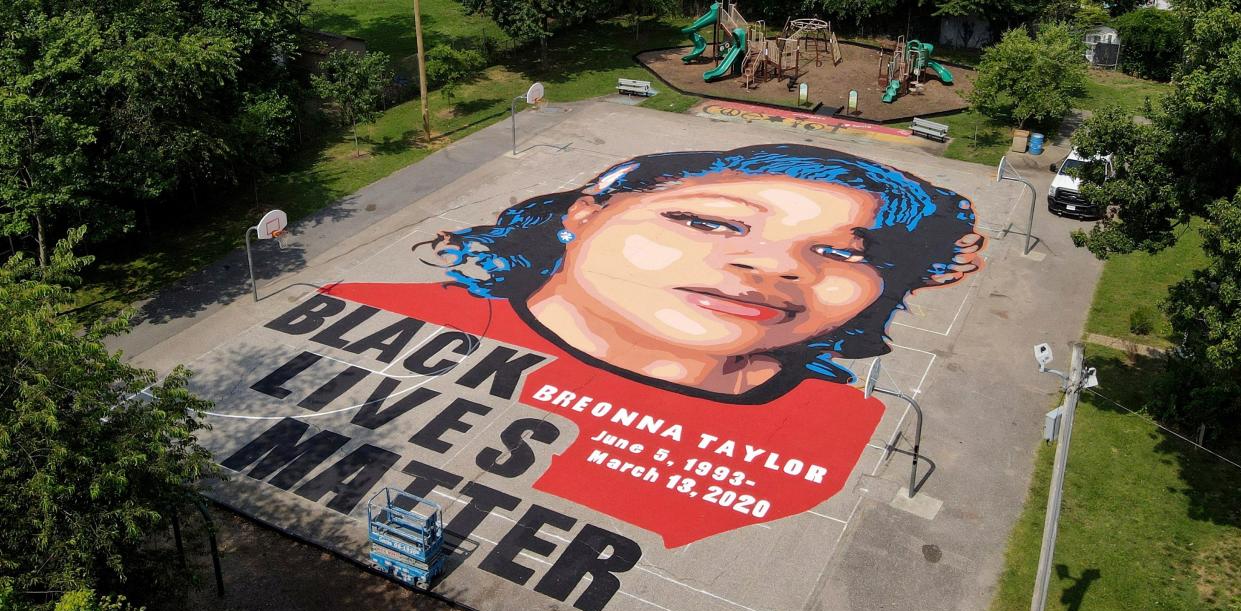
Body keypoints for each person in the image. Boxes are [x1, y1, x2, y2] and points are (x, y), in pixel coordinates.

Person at [323, 144, 983, 546]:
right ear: (585, 213)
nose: (775, 268)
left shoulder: (851, 425)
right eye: (708, 221)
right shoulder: (369, 306)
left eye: (839, 253)